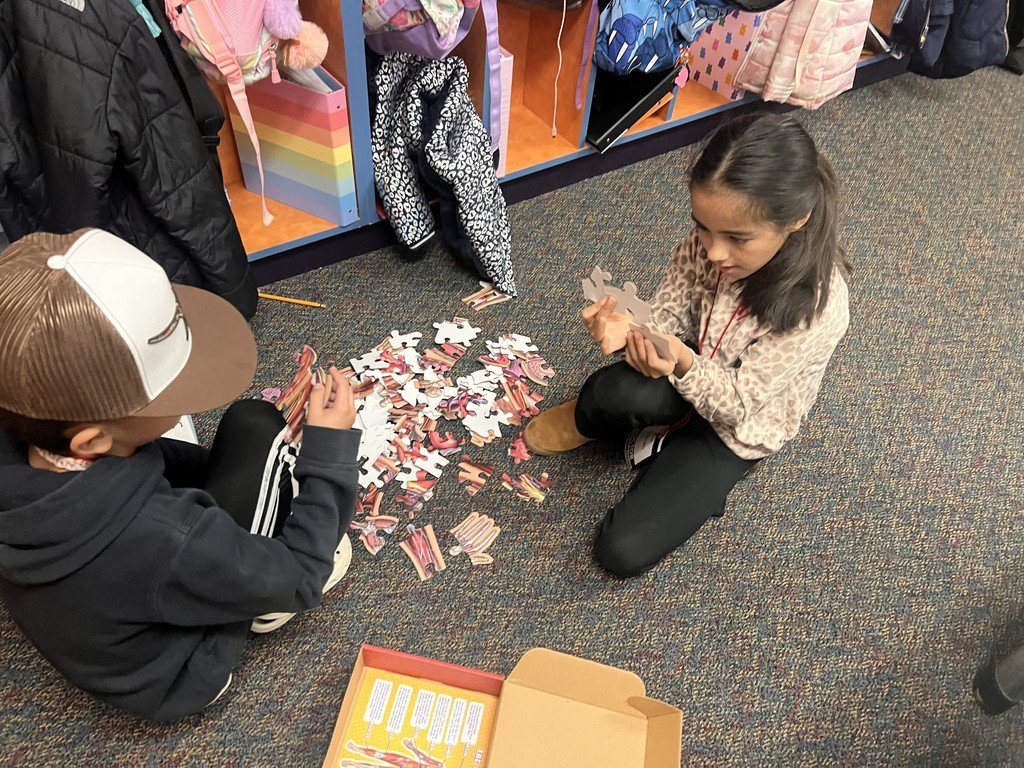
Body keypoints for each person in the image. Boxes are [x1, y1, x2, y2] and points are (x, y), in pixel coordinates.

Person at [0, 229, 360, 721]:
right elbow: (301, 578)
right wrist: (329, 450)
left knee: (247, 426)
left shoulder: (30, 426)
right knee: (260, 431)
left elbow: (153, 462)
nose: (189, 393)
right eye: (173, 392)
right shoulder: (166, 536)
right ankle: (258, 610)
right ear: (91, 442)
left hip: (110, 629)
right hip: (182, 675)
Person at [524, 113, 850, 578]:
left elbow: (739, 406)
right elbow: (667, 314)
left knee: (621, 551)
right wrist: (629, 333)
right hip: (690, 367)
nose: (715, 252)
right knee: (605, 395)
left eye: (738, 239)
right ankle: (634, 423)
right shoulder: (707, 245)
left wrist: (681, 362)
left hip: (740, 424)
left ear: (795, 220)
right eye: (703, 227)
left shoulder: (817, 308)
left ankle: (684, 455)